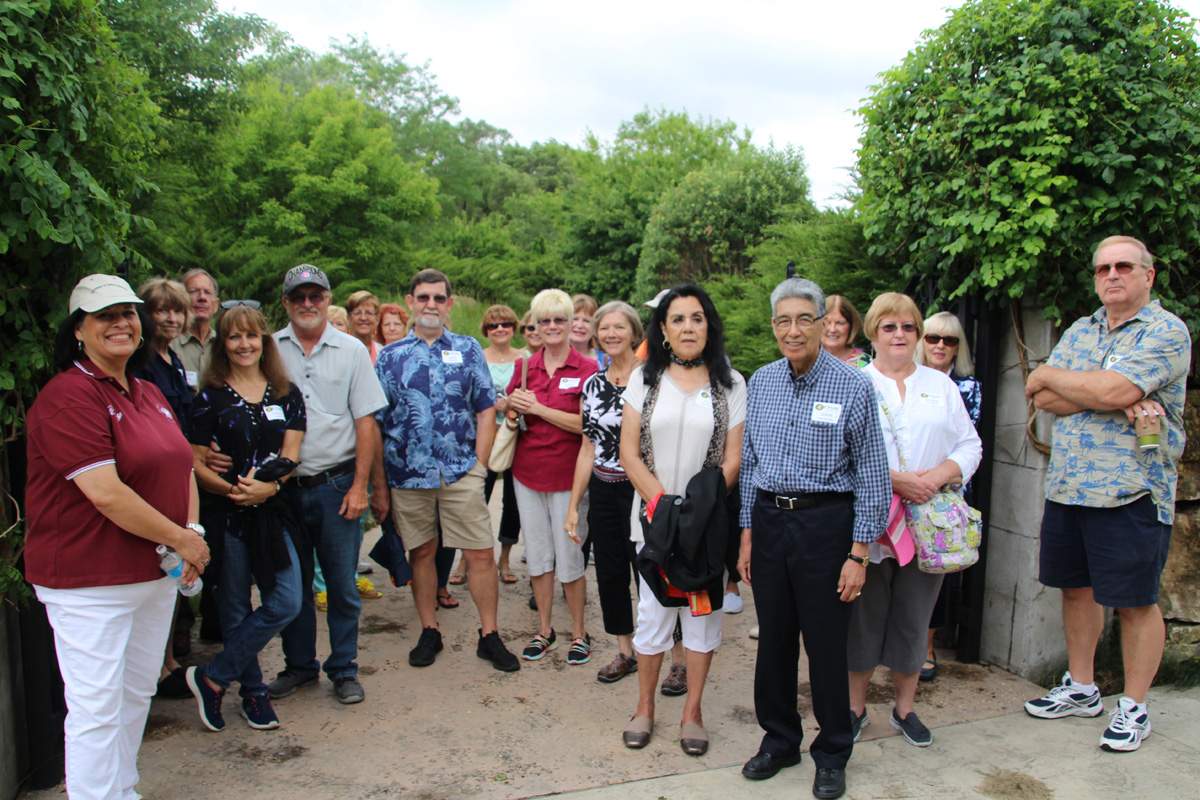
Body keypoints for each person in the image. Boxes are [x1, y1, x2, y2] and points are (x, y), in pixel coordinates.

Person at [25, 274, 210, 800]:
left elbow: (182, 467)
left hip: (151, 575)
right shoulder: (68, 396)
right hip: (89, 581)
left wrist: (191, 533)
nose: (120, 323)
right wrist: (183, 540)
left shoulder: (147, 391)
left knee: (134, 695)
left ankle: (121, 790)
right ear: (77, 330)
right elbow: (105, 493)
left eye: (127, 313)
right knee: (97, 707)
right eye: (104, 315)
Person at [1023, 235, 1190, 752]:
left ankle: (1134, 707)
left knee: (1136, 602)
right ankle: (1082, 687)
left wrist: (1080, 383)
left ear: (1148, 275)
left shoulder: (1166, 331)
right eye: (1102, 268)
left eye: (1123, 266)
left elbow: (1114, 389)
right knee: (1075, 589)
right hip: (1069, 487)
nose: (1112, 275)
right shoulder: (1081, 328)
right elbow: (1041, 394)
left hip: (1131, 490)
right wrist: (1104, 392)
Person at [736, 278, 890, 800]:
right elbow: (751, 464)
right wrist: (747, 534)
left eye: (805, 319)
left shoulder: (852, 385)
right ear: (773, 326)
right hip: (770, 521)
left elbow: (873, 473)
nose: (794, 330)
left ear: (824, 324)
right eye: (784, 320)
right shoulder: (762, 382)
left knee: (825, 645)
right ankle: (780, 741)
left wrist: (859, 553)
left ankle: (832, 752)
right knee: (774, 640)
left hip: (826, 526)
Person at [212, 264, 388, 705]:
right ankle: (300, 666)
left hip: (336, 484)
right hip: (281, 491)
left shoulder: (351, 350)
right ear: (286, 303)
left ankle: (343, 668)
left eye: (316, 296)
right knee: (292, 586)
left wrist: (361, 487)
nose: (307, 304)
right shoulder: (268, 348)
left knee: (342, 585)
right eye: (298, 297)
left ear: (328, 300)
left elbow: (366, 422)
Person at [848, 292, 982, 750]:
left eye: (908, 327)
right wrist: (895, 480)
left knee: (914, 615)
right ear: (873, 333)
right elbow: (839, 453)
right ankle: (854, 708)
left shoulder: (940, 385)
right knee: (863, 618)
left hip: (927, 527)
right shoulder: (855, 384)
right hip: (871, 525)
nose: (900, 335)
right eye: (889, 327)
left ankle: (904, 708)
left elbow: (970, 444)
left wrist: (940, 475)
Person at [618, 284, 746, 757]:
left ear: (709, 325)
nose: (688, 327)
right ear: (664, 329)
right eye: (678, 319)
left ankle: (693, 713)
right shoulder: (644, 380)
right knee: (652, 616)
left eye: (697, 318)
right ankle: (645, 707)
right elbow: (628, 452)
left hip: (706, 527)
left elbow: (732, 460)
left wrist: (695, 510)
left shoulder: (731, 383)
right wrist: (664, 508)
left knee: (701, 620)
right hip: (653, 521)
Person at [373, 268, 519, 671]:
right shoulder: (390, 357)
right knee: (422, 551)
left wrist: (480, 466)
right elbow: (376, 422)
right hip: (408, 473)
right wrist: (379, 486)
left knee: (480, 553)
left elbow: (486, 408)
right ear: (410, 302)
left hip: (460, 471)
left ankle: (489, 635)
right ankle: (429, 630)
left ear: (449, 303)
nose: (431, 304)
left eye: (439, 298)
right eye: (423, 297)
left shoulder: (468, 349)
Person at [186, 303, 305, 732]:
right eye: (234, 336)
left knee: (287, 600)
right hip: (227, 514)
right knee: (235, 605)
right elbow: (195, 462)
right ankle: (253, 693)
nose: (244, 344)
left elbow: (291, 454)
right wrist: (232, 491)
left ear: (264, 340)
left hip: (272, 513)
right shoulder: (209, 398)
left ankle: (213, 676)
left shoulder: (286, 393)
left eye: (251, 335)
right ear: (222, 344)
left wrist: (269, 488)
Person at [506, 289, 599, 664]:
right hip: (527, 474)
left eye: (559, 319)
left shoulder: (588, 370)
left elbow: (588, 426)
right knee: (539, 557)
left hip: (569, 478)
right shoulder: (524, 367)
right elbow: (512, 417)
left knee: (570, 558)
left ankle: (579, 632)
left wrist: (539, 408)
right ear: (535, 326)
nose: (552, 326)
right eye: (544, 321)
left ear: (571, 323)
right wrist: (513, 410)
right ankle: (545, 631)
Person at [565, 301, 643, 683]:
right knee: (611, 574)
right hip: (603, 490)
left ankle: (675, 657)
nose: (611, 334)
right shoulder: (592, 385)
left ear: (634, 332)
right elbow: (587, 448)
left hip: (643, 489)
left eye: (619, 326)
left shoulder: (654, 379)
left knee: (652, 572)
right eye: (605, 328)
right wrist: (574, 506)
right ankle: (625, 651)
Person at [132, 278, 196, 699]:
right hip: (154, 477)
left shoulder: (172, 359)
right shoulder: (142, 363)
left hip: (180, 471)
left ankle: (167, 659)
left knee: (173, 576)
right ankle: (154, 667)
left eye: (177, 310)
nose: (171, 318)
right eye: (161, 310)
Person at [913, 310, 982, 681]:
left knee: (937, 569)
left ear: (958, 347)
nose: (940, 345)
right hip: (903, 488)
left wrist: (935, 478)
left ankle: (926, 647)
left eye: (949, 340)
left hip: (943, 494)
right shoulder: (906, 378)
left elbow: (966, 443)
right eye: (933, 337)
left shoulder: (966, 387)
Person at [479, 304, 528, 585]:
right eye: (493, 325)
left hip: (516, 437)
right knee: (477, 497)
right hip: (484, 436)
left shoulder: (525, 357)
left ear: (514, 328)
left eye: (506, 324)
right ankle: (469, 558)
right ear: (485, 330)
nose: (499, 329)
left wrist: (511, 405)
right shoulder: (477, 357)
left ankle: (505, 558)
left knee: (513, 501)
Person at [171, 268, 220, 391]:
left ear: (215, 305)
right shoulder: (168, 344)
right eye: (194, 291)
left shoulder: (223, 345)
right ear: (181, 300)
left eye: (207, 292)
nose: (202, 297)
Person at [822, 295, 870, 368]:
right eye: (827, 323)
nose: (832, 329)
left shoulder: (864, 362)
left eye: (840, 323)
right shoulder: (805, 359)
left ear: (851, 326)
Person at [571, 293, 608, 369]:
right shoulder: (551, 359)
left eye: (587, 321)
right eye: (575, 319)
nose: (580, 325)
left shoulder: (606, 362)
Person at [345, 290, 382, 364]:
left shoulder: (382, 353)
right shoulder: (340, 351)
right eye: (357, 313)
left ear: (377, 319)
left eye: (369, 313)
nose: (363, 318)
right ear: (349, 319)